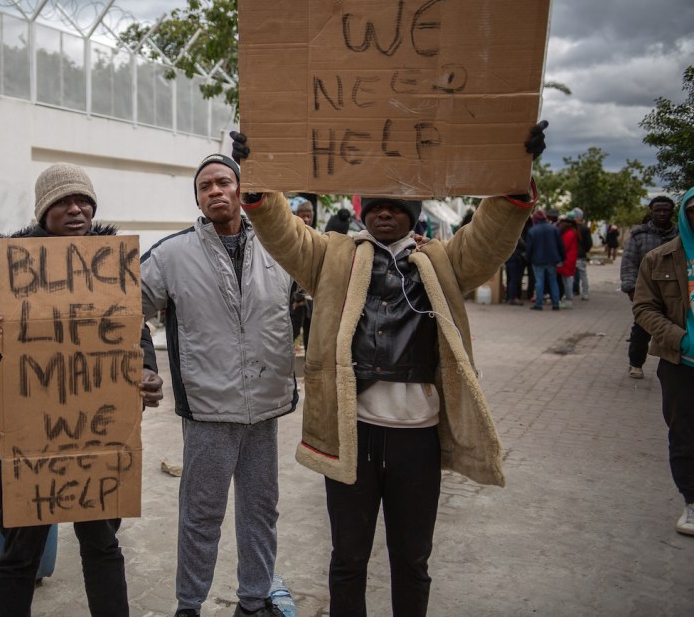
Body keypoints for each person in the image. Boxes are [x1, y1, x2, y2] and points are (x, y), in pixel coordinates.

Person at [230, 123, 546, 616]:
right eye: (375, 203)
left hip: (416, 442)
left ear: (414, 213)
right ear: (361, 210)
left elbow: (488, 236)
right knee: (348, 559)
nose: (384, 211)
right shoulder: (331, 255)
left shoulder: (444, 261)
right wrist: (259, 181)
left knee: (413, 560)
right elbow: (283, 231)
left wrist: (513, 176)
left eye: (397, 204)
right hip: (349, 437)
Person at [0, 163, 164, 616]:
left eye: (83, 201)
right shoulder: (8, 264)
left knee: (102, 545)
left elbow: (135, 332)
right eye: (62, 202)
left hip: (98, 433)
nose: (76, 209)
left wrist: (146, 371)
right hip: (32, 436)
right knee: (19, 554)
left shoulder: (112, 263)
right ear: (43, 211)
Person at [140, 153, 297, 617]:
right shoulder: (171, 255)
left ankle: (253, 601)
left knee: (260, 513)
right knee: (201, 516)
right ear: (197, 197)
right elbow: (121, 308)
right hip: (209, 410)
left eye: (223, 182)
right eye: (205, 185)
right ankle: (189, 606)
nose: (215, 191)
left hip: (264, 408)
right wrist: (142, 363)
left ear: (240, 188)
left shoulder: (279, 247)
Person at [632, 186, 694, 536]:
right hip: (680, 361)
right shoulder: (658, 257)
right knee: (684, 434)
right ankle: (692, 501)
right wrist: (681, 339)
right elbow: (643, 307)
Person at [621, 196, 679, 379]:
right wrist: (631, 288)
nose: (662, 213)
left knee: (675, 330)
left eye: (666, 210)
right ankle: (636, 364)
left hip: (675, 293)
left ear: (672, 212)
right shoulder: (639, 236)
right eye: (658, 210)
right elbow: (629, 262)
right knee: (641, 330)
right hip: (647, 292)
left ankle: (675, 365)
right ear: (651, 212)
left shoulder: (680, 235)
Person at [526, 209, 566, 311]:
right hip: (552, 260)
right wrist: (562, 257)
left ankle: (539, 304)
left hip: (537, 260)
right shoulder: (554, 229)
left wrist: (528, 259)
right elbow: (560, 245)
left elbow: (529, 248)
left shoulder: (532, 231)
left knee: (539, 282)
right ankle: (556, 304)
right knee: (553, 281)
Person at [291, 201, 315, 353]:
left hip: (310, 299)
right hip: (294, 298)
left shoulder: (314, 235)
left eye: (308, 216)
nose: (306, 219)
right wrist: (297, 297)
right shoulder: (290, 235)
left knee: (310, 337)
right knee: (291, 332)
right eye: (303, 215)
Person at [557, 213, 579, 309]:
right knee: (567, 280)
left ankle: (569, 299)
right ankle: (568, 298)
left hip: (567, 259)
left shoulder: (569, 234)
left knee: (567, 280)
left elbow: (564, 246)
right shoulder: (573, 232)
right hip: (570, 258)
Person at [572, 207, 593, 300]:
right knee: (583, 276)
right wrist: (584, 250)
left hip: (572, 255)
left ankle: (570, 293)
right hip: (581, 256)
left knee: (570, 276)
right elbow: (589, 243)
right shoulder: (585, 229)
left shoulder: (572, 228)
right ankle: (585, 294)